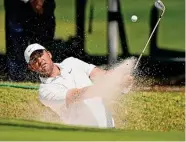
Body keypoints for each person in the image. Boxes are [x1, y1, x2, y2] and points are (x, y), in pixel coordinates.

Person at [4, 0, 56, 81]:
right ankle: (17, 77)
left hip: (42, 3)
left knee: (43, 41)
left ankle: (47, 76)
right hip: (18, 4)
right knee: (16, 42)